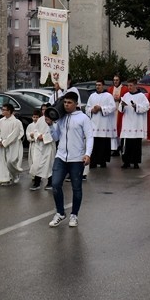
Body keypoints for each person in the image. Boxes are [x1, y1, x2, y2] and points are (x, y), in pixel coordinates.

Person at [48, 91, 93, 228]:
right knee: (55, 185)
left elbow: (90, 136)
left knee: (76, 188)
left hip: (76, 158)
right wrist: (50, 125)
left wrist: (88, 154)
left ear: (76, 104)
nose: (66, 105)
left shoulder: (83, 118)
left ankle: (74, 215)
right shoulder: (61, 118)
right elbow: (56, 138)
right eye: (65, 102)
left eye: (69, 103)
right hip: (61, 157)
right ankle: (60, 213)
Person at [118, 77, 149, 169]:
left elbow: (147, 106)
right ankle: (126, 162)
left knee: (136, 144)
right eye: (128, 85)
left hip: (136, 123)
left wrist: (136, 106)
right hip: (127, 123)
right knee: (126, 144)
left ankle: (135, 162)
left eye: (131, 85)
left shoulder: (141, 96)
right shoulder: (126, 95)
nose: (129, 87)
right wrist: (122, 105)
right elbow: (120, 109)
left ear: (135, 85)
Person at [86, 79, 117, 168]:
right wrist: (92, 110)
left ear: (103, 86)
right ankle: (93, 161)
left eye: (99, 85)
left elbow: (112, 107)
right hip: (94, 123)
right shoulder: (92, 96)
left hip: (104, 124)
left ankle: (102, 161)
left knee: (103, 144)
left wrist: (101, 108)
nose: (97, 87)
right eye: (96, 85)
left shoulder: (108, 96)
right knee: (94, 144)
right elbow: (87, 108)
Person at [0, 102, 25, 186]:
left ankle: (15, 174)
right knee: (3, 162)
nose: (2, 111)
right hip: (2, 145)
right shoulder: (1, 121)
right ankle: (5, 178)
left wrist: (5, 142)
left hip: (13, 145)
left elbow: (15, 134)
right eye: (2, 109)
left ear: (9, 111)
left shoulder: (16, 122)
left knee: (11, 161)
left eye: (4, 110)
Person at [26, 103, 56, 190]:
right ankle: (37, 183)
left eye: (46, 109)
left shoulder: (54, 119)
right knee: (36, 164)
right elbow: (35, 130)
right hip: (39, 146)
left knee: (49, 165)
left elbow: (55, 132)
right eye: (42, 109)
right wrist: (37, 136)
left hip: (49, 146)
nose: (44, 111)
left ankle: (50, 182)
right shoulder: (40, 120)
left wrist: (44, 137)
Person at [107, 74, 127, 157]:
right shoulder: (110, 89)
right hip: (112, 113)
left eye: (117, 80)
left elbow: (126, 99)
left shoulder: (124, 89)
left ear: (120, 81)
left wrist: (120, 99)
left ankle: (120, 147)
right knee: (113, 130)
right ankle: (114, 148)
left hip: (121, 112)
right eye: (114, 80)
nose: (115, 81)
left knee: (120, 129)